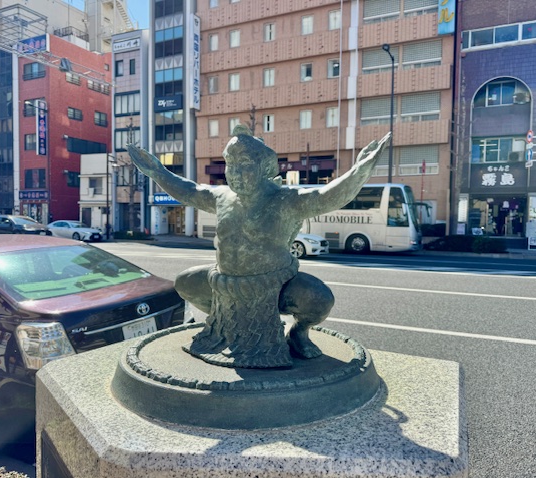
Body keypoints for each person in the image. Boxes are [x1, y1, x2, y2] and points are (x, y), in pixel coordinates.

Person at [128, 125, 390, 366]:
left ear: (264, 166)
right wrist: (157, 172)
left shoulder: (287, 199)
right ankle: (227, 321)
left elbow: (328, 196)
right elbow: (189, 190)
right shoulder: (221, 196)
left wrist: (359, 172)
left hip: (276, 284)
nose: (235, 173)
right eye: (230, 165)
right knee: (185, 282)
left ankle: (298, 332)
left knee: (320, 298)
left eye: (244, 164)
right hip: (226, 283)